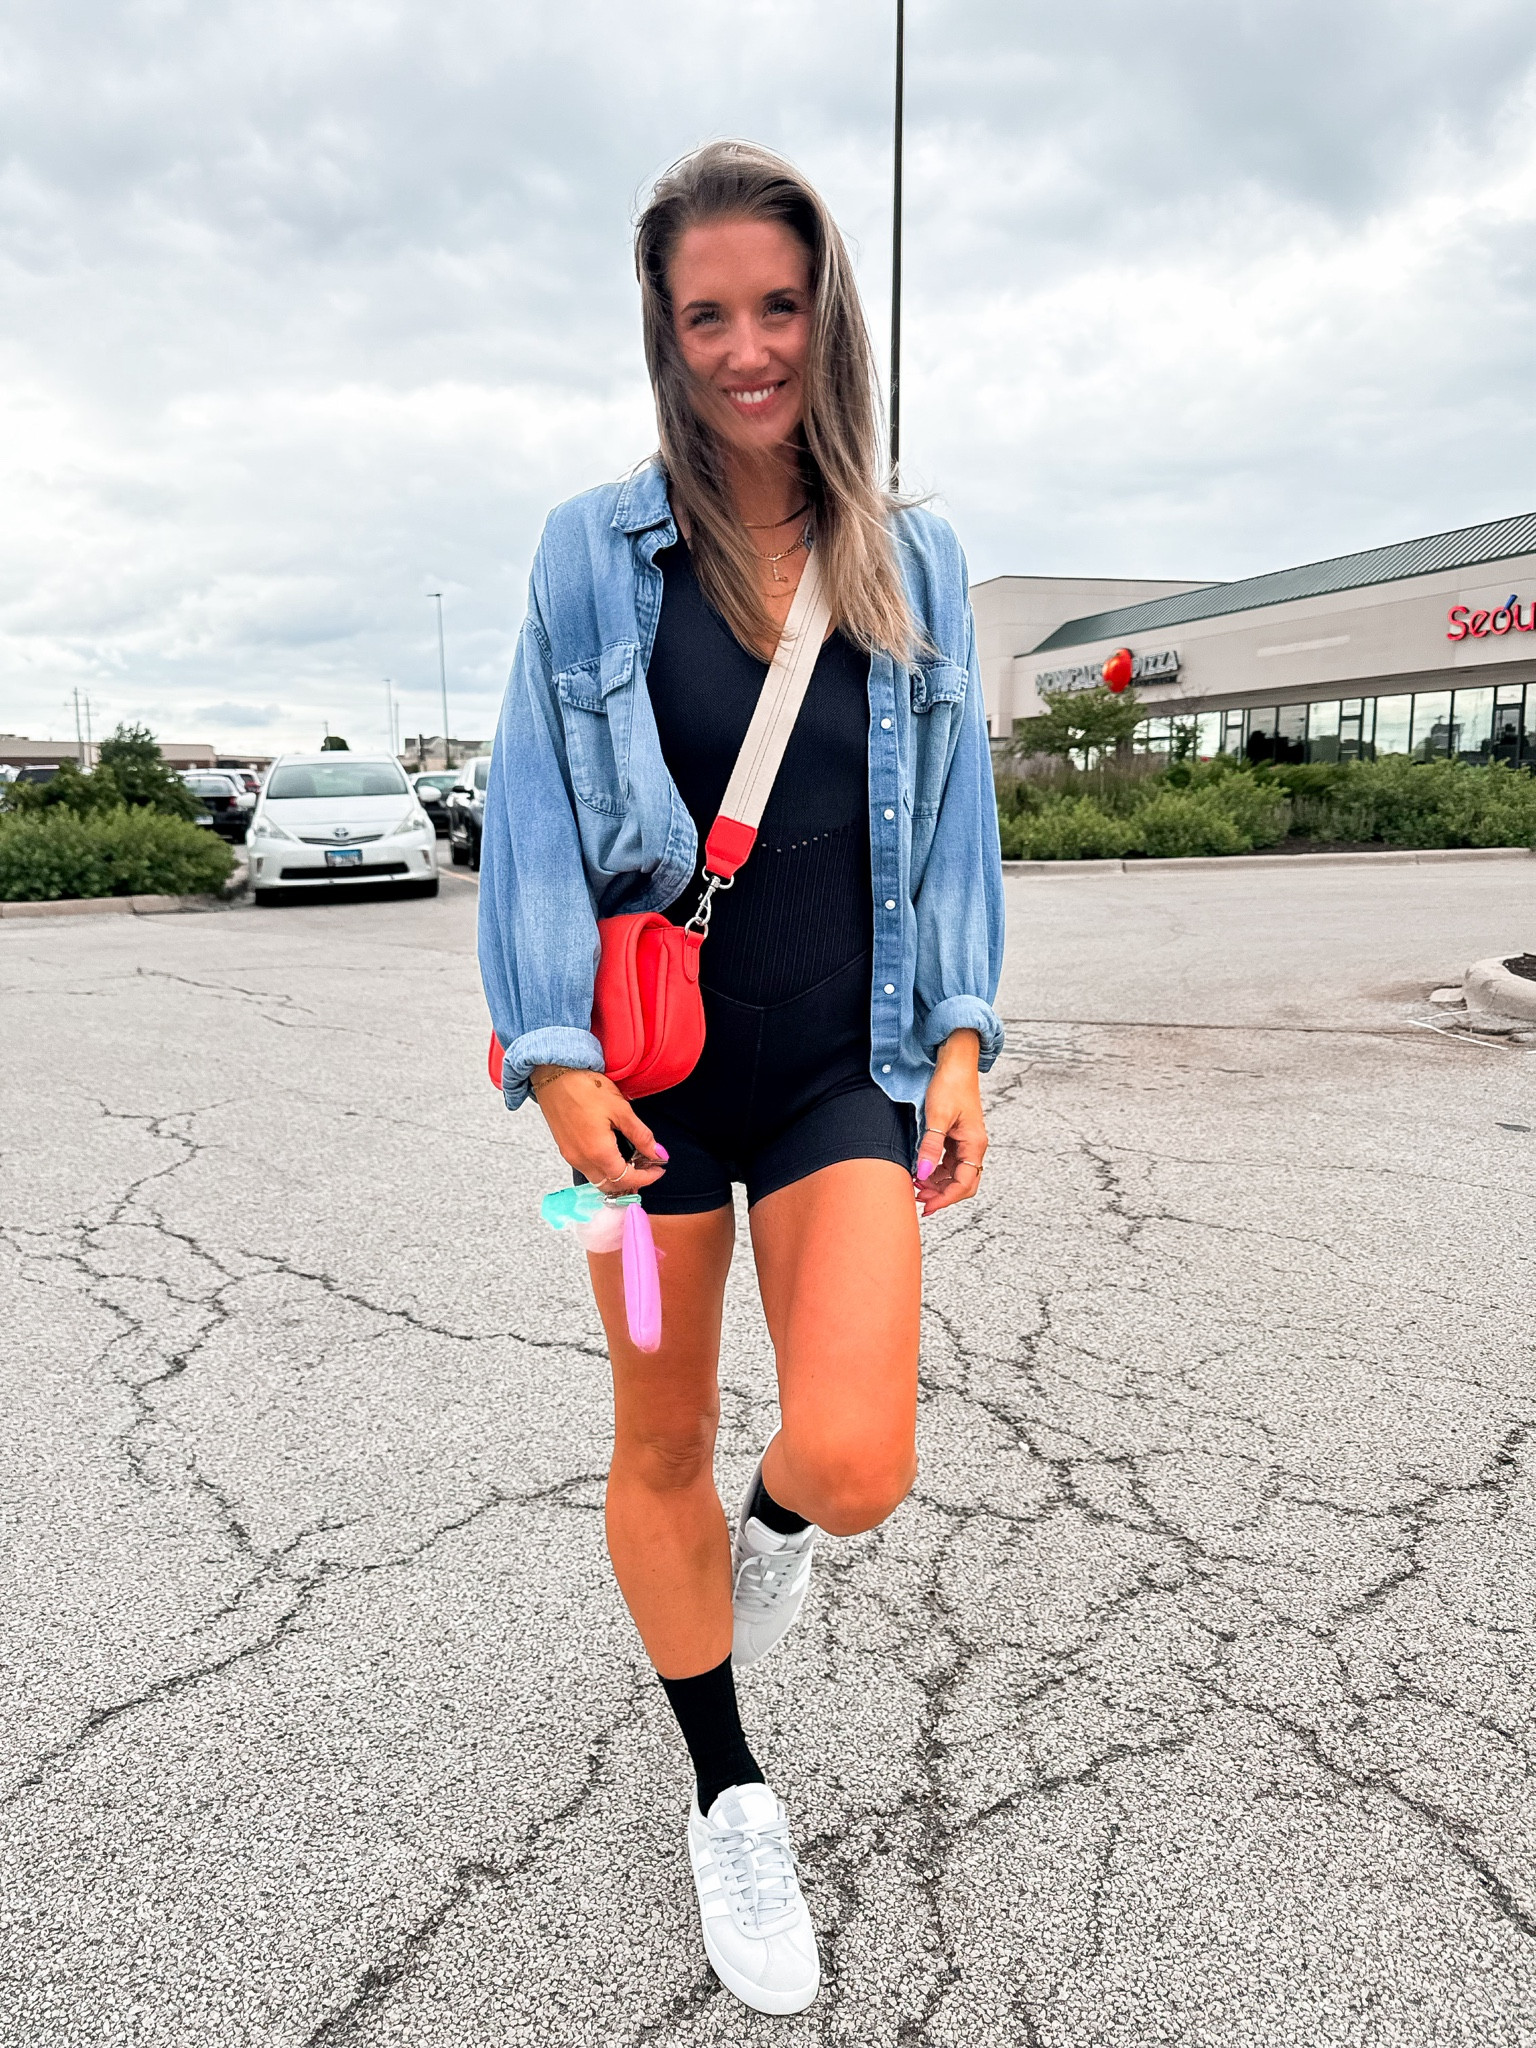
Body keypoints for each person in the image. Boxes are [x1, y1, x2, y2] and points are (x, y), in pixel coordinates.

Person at [478, 140, 1004, 2017]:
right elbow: (532, 821)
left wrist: (957, 1043)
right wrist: (549, 1066)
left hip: (837, 1073)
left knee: (855, 1456)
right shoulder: (588, 550)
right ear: (664, 330)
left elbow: (959, 833)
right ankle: (726, 1786)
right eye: (709, 314)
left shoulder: (913, 553)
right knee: (656, 1441)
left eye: (777, 306)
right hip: (641, 1104)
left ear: (826, 311)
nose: (747, 349)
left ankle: (764, 1549)